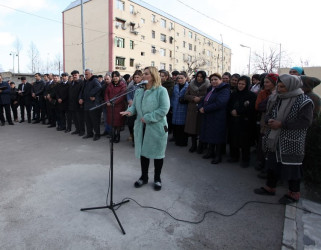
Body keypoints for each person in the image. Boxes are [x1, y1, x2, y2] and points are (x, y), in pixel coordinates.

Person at [254, 74, 313, 204]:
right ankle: (270, 187)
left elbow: (305, 122)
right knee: (272, 164)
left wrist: (282, 124)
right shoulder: (278, 98)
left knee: (292, 168)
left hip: (291, 141)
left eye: (282, 87)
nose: (279, 89)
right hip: (274, 138)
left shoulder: (304, 101)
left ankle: (294, 193)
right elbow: (269, 112)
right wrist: (269, 120)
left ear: (291, 86)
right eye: (279, 86)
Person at [120, 66, 170, 191]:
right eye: (143, 74)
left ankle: (157, 178)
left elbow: (164, 109)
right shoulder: (139, 91)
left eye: (146, 74)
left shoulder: (161, 90)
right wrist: (129, 112)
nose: (143, 76)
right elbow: (135, 107)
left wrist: (149, 117)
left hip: (156, 127)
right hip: (142, 127)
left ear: (153, 76)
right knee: (144, 153)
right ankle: (144, 177)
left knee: (158, 154)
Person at [198, 73, 230, 164]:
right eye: (212, 80)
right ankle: (210, 152)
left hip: (218, 116)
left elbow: (220, 103)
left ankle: (218, 156)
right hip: (209, 116)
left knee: (217, 136)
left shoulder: (224, 90)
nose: (213, 81)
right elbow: (204, 99)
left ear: (220, 80)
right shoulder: (211, 89)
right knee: (210, 134)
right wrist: (200, 106)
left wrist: (205, 109)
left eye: (216, 79)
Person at [227, 75, 257, 167]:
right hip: (233, 120)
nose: (240, 85)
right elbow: (229, 105)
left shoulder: (251, 95)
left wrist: (239, 111)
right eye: (239, 83)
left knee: (245, 142)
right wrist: (231, 111)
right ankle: (234, 156)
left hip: (245, 122)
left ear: (247, 84)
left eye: (243, 84)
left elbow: (251, 109)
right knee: (233, 139)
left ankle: (245, 160)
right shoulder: (234, 94)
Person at [255, 73, 278, 175]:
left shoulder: (278, 94)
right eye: (264, 82)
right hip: (264, 122)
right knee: (263, 145)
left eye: (267, 82)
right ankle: (263, 164)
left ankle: (269, 168)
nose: (265, 84)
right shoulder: (263, 93)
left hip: (274, 124)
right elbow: (259, 106)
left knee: (271, 147)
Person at [184, 70, 210, 153]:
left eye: (201, 77)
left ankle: (201, 146)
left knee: (201, 128)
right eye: (197, 76)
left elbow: (209, 95)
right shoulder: (191, 84)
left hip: (202, 108)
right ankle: (193, 145)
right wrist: (193, 98)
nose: (199, 78)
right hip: (192, 108)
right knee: (192, 129)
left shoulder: (208, 85)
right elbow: (186, 95)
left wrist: (201, 98)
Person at [105, 71, 127, 143]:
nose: (115, 78)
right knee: (112, 122)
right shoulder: (110, 85)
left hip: (119, 107)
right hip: (110, 107)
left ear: (119, 77)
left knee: (118, 123)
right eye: (113, 77)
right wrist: (107, 101)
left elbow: (122, 96)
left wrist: (114, 102)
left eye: (116, 76)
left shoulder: (123, 85)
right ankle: (113, 136)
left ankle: (117, 136)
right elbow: (106, 93)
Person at [80, 69, 102, 141]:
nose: (85, 76)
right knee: (87, 120)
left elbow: (99, 87)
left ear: (91, 74)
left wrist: (91, 94)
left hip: (93, 104)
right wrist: (81, 98)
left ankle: (97, 134)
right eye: (85, 74)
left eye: (87, 74)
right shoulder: (85, 81)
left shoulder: (94, 80)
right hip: (86, 104)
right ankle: (89, 133)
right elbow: (82, 91)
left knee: (94, 121)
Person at [171, 72, 189, 146]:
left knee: (183, 126)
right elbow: (173, 97)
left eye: (182, 78)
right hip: (175, 107)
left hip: (184, 108)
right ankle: (177, 140)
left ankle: (184, 141)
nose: (180, 79)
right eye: (179, 78)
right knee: (176, 126)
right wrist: (171, 106)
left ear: (186, 78)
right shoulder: (175, 86)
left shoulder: (188, 86)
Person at [126, 70, 143, 146]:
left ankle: (138, 141)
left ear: (141, 77)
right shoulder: (131, 86)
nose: (136, 79)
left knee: (139, 126)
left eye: (138, 77)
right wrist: (129, 100)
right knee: (130, 124)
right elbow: (128, 94)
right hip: (132, 107)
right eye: (135, 77)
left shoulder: (143, 86)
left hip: (140, 108)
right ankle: (133, 139)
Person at [68, 70, 85, 135]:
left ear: (78, 75)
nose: (74, 76)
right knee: (75, 118)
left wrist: (81, 99)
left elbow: (83, 92)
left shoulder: (81, 82)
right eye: (73, 75)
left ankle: (82, 131)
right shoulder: (71, 83)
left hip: (79, 103)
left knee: (80, 118)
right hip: (72, 103)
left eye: (75, 75)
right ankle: (77, 129)